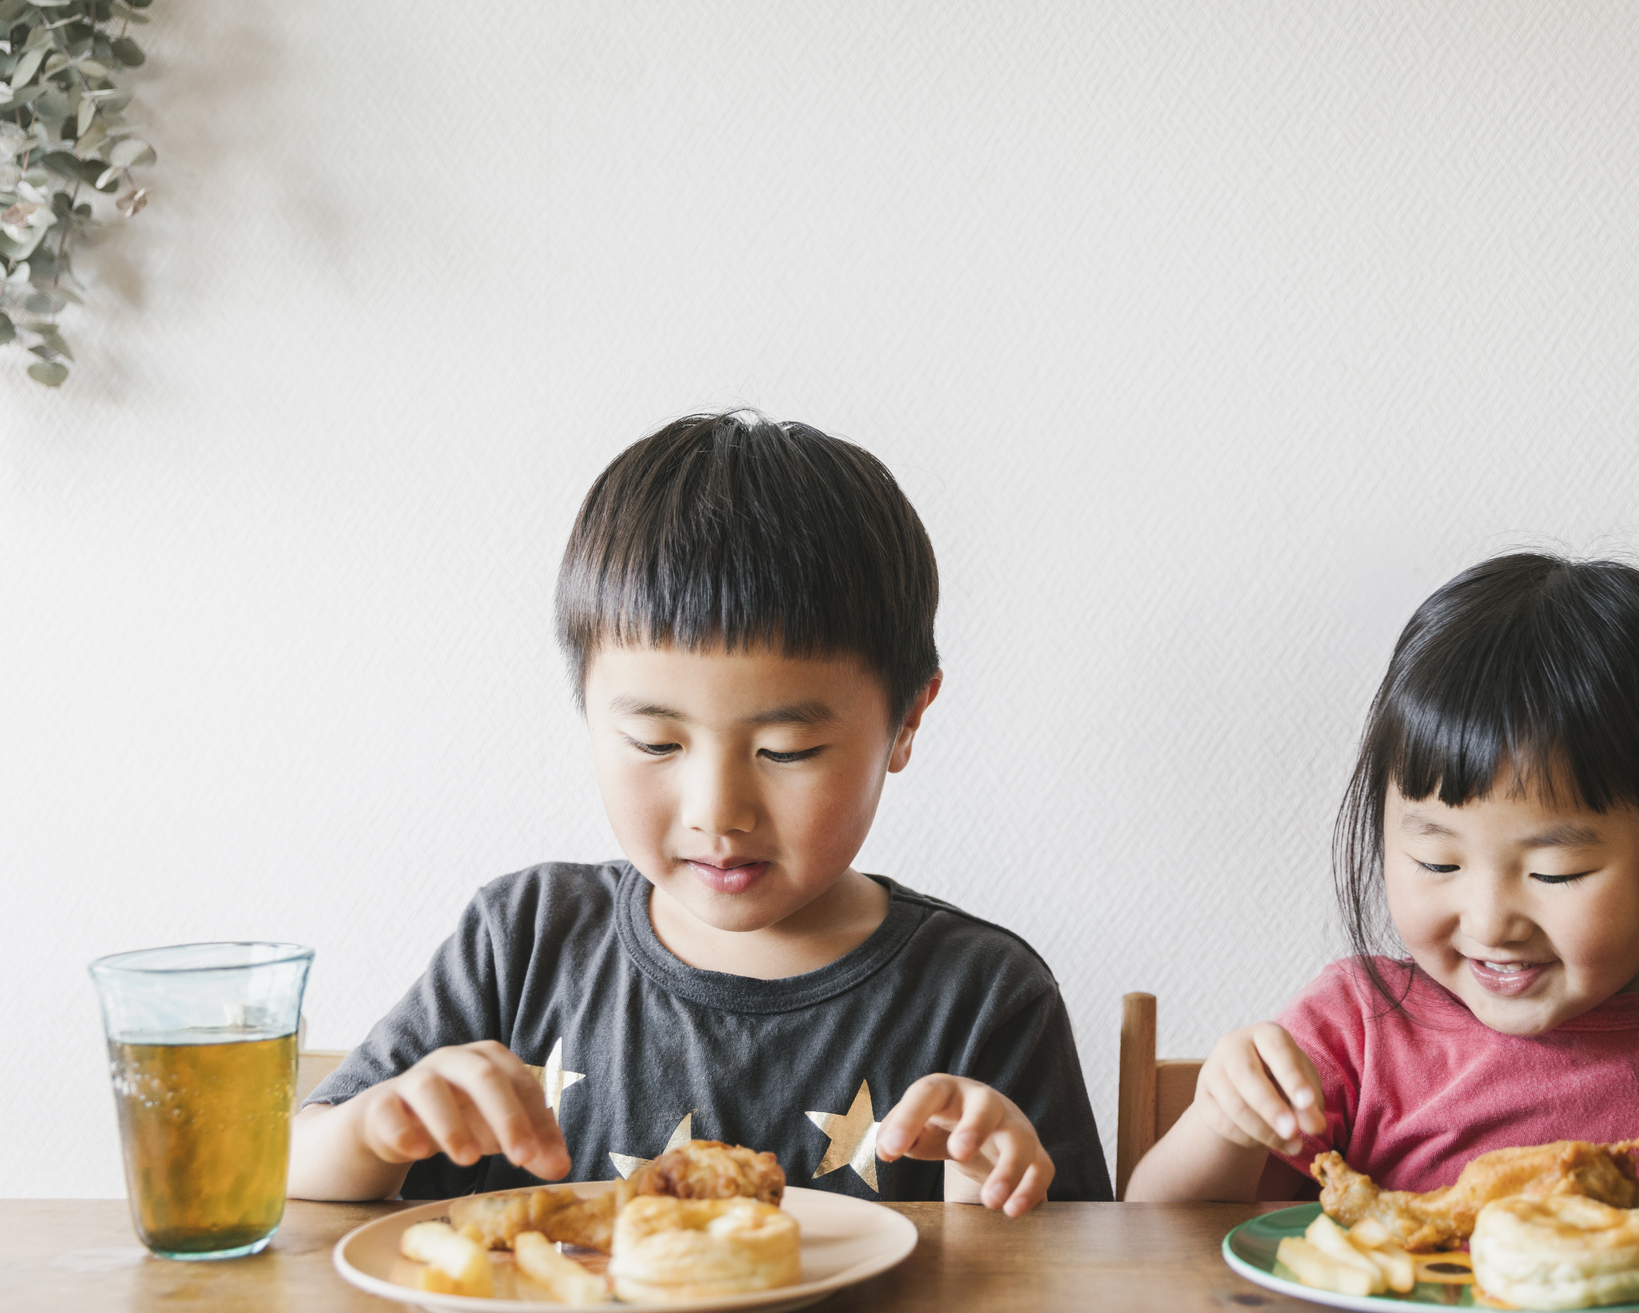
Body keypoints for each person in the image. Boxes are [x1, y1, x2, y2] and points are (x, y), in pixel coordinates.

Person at [291, 412, 1110, 1212]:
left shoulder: (982, 997)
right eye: (653, 742)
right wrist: (373, 1132)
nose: (718, 814)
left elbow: (1074, 1294)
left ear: (907, 722)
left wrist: (986, 1189)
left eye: (786, 751)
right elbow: (294, 1167)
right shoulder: (524, 939)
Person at [1124, 553, 1639, 1203]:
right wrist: (1224, 1126)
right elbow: (1154, 1230)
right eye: (1438, 864)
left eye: (1553, 871)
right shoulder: (1355, 1030)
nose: (1487, 920)